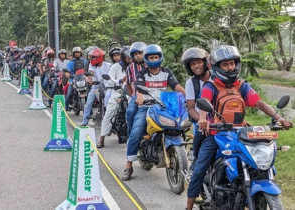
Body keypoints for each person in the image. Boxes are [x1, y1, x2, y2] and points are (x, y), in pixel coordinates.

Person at [186, 45, 293, 210]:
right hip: (216, 134)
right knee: (199, 170)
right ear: (216, 67)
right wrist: (202, 120)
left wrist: (278, 118)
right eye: (225, 65)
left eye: (232, 64)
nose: (230, 67)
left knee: (260, 165)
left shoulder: (241, 85)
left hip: (240, 133)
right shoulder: (210, 86)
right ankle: (189, 205)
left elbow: (259, 102)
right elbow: (203, 104)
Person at [122, 44, 185, 181]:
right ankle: (128, 165)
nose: (154, 59)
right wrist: (139, 98)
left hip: (164, 104)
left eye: (156, 56)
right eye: (151, 57)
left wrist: (188, 95)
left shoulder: (167, 71)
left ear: (160, 57)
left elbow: (175, 85)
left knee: (180, 123)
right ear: (146, 59)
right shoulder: (142, 73)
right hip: (147, 105)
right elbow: (139, 88)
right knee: (136, 131)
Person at [181, 47, 213, 172]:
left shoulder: (216, 78)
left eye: (199, 62)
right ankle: (196, 159)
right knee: (200, 133)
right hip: (200, 120)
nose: (196, 66)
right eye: (192, 64)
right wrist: (203, 120)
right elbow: (191, 108)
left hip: (220, 119)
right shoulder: (191, 83)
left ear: (205, 62)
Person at [98, 46, 132, 148]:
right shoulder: (115, 67)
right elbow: (109, 81)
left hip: (133, 94)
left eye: (131, 58)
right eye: (128, 58)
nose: (130, 60)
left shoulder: (136, 67)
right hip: (118, 92)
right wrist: (120, 81)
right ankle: (102, 139)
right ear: (124, 57)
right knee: (109, 112)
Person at [81, 48, 111, 126]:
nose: (92, 59)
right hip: (96, 86)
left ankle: (110, 122)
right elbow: (91, 73)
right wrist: (90, 80)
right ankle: (85, 121)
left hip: (107, 86)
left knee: (111, 102)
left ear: (99, 57)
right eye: (91, 57)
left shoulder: (108, 66)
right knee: (89, 102)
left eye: (94, 57)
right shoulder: (91, 65)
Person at [125, 42, 147, 137]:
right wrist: (132, 96)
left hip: (155, 94)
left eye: (140, 53)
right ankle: (131, 136)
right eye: (135, 54)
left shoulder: (153, 64)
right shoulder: (130, 68)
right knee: (130, 112)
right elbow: (128, 83)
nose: (138, 56)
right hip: (137, 95)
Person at [65, 47, 88, 111]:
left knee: (89, 93)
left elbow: (87, 70)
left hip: (83, 79)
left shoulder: (84, 61)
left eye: (78, 53)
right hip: (73, 80)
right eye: (76, 53)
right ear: (73, 54)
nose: (77, 54)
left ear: (81, 53)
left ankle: (89, 111)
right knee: (69, 93)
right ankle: (65, 108)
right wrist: (68, 75)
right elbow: (67, 71)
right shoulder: (71, 62)